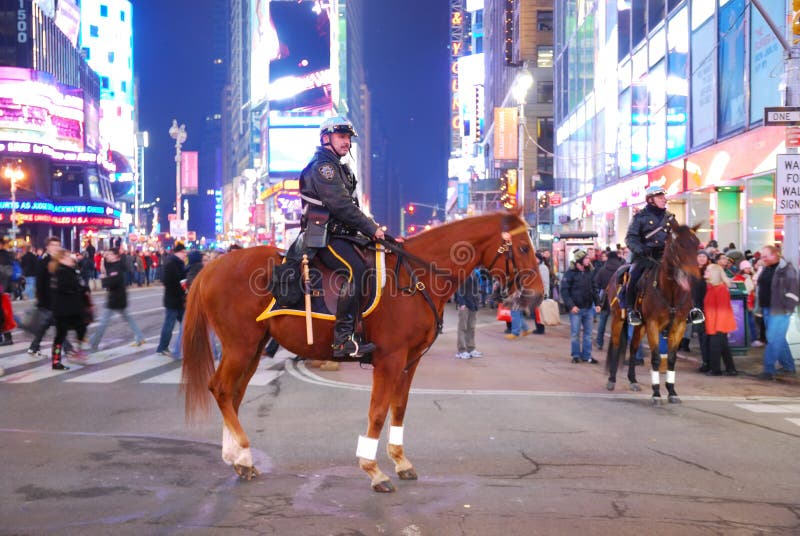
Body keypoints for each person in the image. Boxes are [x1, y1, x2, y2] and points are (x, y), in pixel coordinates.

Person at [288, 116, 384, 360]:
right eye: (342, 137)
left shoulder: (342, 168)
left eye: (348, 138)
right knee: (358, 270)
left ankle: (361, 328)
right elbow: (341, 206)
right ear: (325, 138)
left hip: (344, 234)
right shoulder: (324, 167)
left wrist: (371, 231)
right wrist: (371, 227)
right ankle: (342, 339)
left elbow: (351, 207)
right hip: (323, 236)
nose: (347, 143)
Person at [624, 185, 704, 326]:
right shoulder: (640, 217)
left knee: (688, 277)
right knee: (634, 276)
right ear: (650, 200)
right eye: (660, 197)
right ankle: (632, 310)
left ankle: (692, 309)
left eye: (664, 197)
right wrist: (641, 249)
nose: (664, 199)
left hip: (665, 256)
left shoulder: (670, 218)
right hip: (645, 256)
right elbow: (630, 238)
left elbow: (678, 236)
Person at [89, 248, 146, 351]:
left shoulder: (116, 267)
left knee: (103, 323)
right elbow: (105, 270)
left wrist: (103, 279)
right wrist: (103, 263)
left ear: (116, 256)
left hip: (115, 299)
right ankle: (140, 336)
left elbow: (112, 282)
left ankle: (94, 342)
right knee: (128, 319)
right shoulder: (114, 265)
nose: (108, 256)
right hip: (118, 298)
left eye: (110, 254)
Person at [755, 245, 798, 380]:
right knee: (778, 339)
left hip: (780, 310)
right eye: (762, 256)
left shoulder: (788, 269)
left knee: (773, 339)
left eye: (765, 256)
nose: (763, 259)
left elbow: (794, 291)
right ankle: (788, 366)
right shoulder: (766, 268)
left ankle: (769, 370)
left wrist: (787, 309)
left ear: (775, 254)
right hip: (768, 309)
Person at [26, 237, 73, 358]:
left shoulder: (58, 261)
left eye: (58, 245)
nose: (56, 248)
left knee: (48, 325)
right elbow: (40, 283)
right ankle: (68, 349)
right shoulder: (43, 261)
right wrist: (42, 300)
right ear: (47, 247)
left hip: (56, 299)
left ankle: (34, 347)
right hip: (48, 300)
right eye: (53, 245)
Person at [50, 250, 91, 370]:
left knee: (81, 328)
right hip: (63, 310)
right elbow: (66, 287)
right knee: (60, 335)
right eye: (68, 257)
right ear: (61, 259)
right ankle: (56, 360)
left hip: (74, 308)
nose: (71, 258)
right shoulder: (60, 272)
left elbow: (80, 286)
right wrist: (79, 287)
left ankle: (78, 351)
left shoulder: (71, 270)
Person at [560, 249, 601, 363]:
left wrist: (597, 303)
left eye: (588, 258)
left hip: (588, 308)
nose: (588, 260)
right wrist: (571, 306)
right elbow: (564, 291)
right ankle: (576, 355)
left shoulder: (590, 272)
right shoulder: (570, 274)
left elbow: (594, 289)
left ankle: (587, 356)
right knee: (575, 334)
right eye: (586, 259)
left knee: (588, 334)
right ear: (579, 262)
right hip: (576, 310)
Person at [702, 264, 738, 376]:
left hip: (719, 324)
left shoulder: (720, 289)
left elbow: (723, 311)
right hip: (715, 323)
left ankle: (716, 369)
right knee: (723, 347)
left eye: (708, 271)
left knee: (715, 346)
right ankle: (731, 369)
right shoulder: (712, 288)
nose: (705, 272)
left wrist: (718, 327)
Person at [156, 243, 188, 358]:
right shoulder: (172, 264)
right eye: (184, 252)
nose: (185, 255)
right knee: (169, 325)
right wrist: (182, 292)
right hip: (174, 300)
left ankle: (178, 348)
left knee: (186, 325)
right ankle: (163, 347)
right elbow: (170, 282)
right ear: (178, 252)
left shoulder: (179, 263)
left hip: (179, 300)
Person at [593, 250, 624, 350]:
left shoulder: (603, 269)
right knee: (618, 322)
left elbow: (596, 283)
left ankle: (599, 342)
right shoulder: (621, 269)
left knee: (603, 320)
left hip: (606, 299)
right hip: (619, 299)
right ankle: (617, 343)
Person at [454, 269, 482, 359]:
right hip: (464, 304)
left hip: (473, 304)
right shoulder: (462, 272)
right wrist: (461, 303)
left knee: (471, 327)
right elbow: (459, 289)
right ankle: (461, 350)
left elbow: (476, 289)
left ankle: (471, 348)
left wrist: (477, 302)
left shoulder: (474, 273)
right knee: (462, 327)